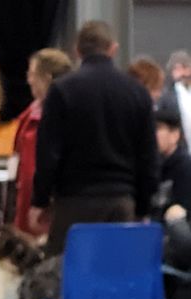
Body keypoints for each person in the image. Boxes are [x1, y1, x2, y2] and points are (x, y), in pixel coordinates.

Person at [29, 21, 159, 256]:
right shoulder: (137, 93)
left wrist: (39, 201)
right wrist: (142, 206)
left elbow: (48, 154)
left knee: (65, 277)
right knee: (114, 275)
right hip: (121, 202)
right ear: (113, 49)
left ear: (77, 50)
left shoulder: (61, 90)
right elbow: (148, 158)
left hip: (72, 203)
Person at [13, 48, 72, 237]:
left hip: (45, 212)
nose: (28, 80)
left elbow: (39, 168)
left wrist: (39, 204)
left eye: (32, 74)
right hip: (26, 207)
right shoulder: (29, 115)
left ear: (46, 78)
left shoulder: (58, 116)